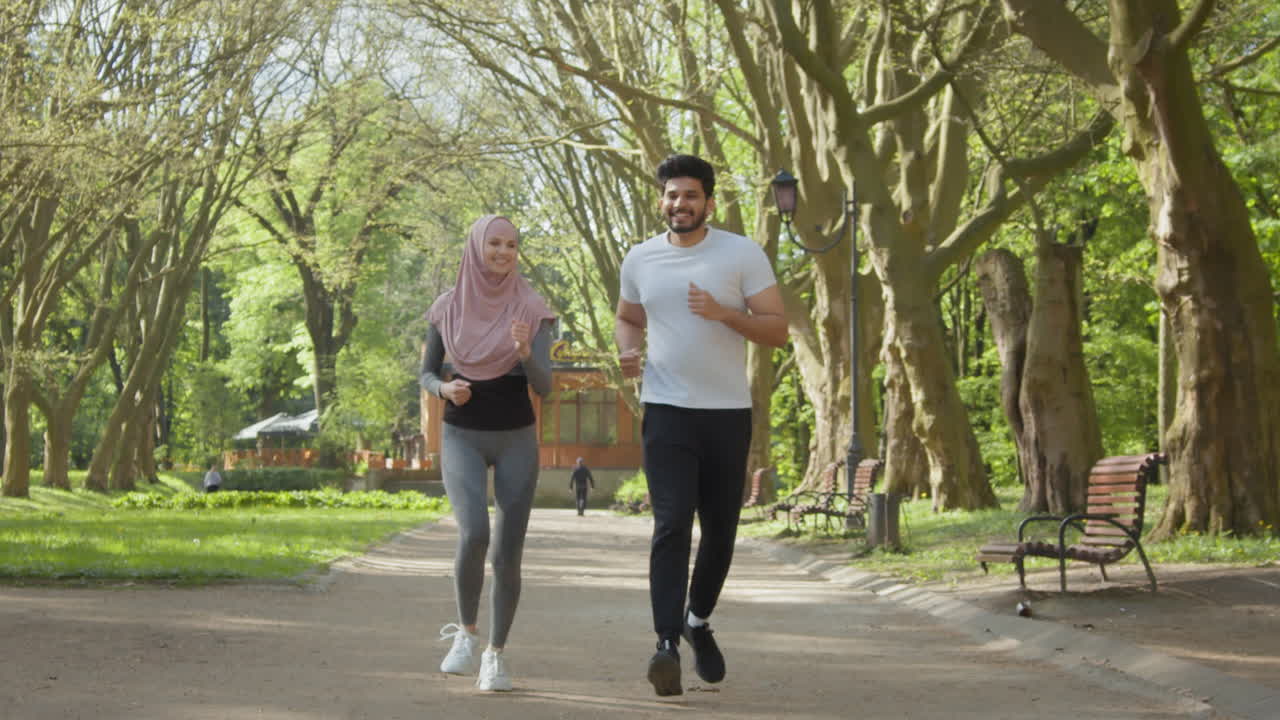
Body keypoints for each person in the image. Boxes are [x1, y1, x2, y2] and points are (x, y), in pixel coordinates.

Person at [615, 154, 788, 696]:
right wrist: (628, 351)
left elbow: (778, 329)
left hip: (726, 414)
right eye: (672, 195)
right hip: (666, 410)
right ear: (661, 200)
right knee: (671, 525)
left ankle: (697, 620)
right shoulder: (640, 258)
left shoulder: (741, 253)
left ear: (708, 203)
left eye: (690, 195)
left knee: (720, 531)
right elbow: (627, 317)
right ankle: (666, 643)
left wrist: (725, 314)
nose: (680, 204)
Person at [419, 214, 556, 692]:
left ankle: (495, 655)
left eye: (511, 245)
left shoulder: (533, 309)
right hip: (462, 434)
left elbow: (546, 387)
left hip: (517, 436)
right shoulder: (447, 307)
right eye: (494, 243)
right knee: (474, 532)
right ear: (476, 247)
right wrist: (443, 389)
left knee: (506, 551)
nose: (503, 252)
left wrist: (525, 352)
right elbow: (426, 373)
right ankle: (466, 633)